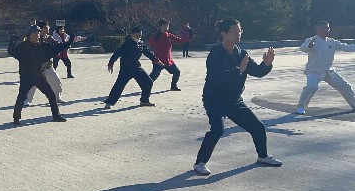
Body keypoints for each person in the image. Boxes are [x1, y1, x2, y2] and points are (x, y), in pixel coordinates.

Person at [193, 18, 282, 176]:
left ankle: (263, 157)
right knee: (217, 130)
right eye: (233, 31)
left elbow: (257, 72)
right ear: (224, 34)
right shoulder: (215, 54)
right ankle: (200, 163)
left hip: (234, 100)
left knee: (258, 127)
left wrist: (267, 64)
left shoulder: (241, 53)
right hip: (215, 100)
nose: (238, 34)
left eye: (239, 31)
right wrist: (238, 70)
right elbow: (215, 77)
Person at [8, 25, 73, 125]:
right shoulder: (23, 46)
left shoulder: (43, 46)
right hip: (27, 77)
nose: (38, 34)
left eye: (39, 32)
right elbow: (12, 52)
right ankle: (16, 118)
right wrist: (11, 42)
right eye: (35, 33)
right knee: (21, 97)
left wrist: (69, 42)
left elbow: (57, 48)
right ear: (30, 35)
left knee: (51, 95)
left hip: (40, 77)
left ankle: (56, 116)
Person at [296, 21, 355, 115]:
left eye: (328, 28)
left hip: (329, 71)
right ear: (318, 30)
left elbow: (347, 47)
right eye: (324, 28)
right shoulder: (311, 40)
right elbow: (303, 48)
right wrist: (309, 46)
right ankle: (301, 107)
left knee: (345, 86)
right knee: (312, 86)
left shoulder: (332, 42)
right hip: (313, 71)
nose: (327, 30)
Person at [104, 27, 163, 109]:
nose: (138, 37)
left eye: (140, 35)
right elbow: (117, 53)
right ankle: (109, 103)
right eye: (137, 35)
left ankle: (144, 101)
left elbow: (148, 53)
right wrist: (111, 63)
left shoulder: (141, 44)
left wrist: (156, 60)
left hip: (136, 68)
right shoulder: (126, 43)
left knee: (148, 82)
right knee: (119, 86)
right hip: (126, 69)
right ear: (132, 35)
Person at [25, 21, 65, 106]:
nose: (48, 29)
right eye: (46, 27)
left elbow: (56, 44)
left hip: (48, 66)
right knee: (32, 85)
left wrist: (63, 45)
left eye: (48, 27)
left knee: (56, 82)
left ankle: (58, 98)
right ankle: (27, 100)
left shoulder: (49, 38)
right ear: (41, 29)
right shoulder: (34, 38)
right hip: (36, 67)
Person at [148, 19, 190, 91]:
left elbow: (180, 40)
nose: (166, 27)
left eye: (167, 25)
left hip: (168, 60)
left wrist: (187, 30)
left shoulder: (169, 35)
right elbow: (150, 42)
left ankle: (173, 86)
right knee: (154, 76)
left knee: (177, 72)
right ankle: (145, 86)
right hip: (158, 61)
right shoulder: (155, 35)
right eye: (165, 25)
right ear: (160, 26)